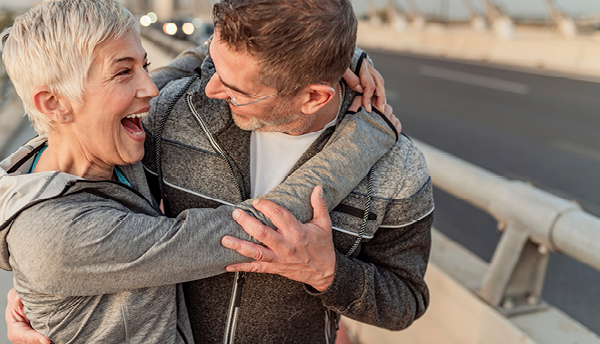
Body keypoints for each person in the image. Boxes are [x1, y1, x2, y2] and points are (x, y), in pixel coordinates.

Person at [0, 0, 400, 343]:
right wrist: (370, 135)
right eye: (124, 72)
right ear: (53, 105)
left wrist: (330, 53)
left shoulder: (99, 152)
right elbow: (254, 229)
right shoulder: (59, 234)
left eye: (144, 65)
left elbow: (192, 64)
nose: (151, 88)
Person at [138, 0, 435, 343]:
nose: (209, 89)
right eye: (213, 63)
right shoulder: (173, 113)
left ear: (313, 97)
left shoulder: (397, 168)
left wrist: (330, 273)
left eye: (237, 89)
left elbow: (406, 300)